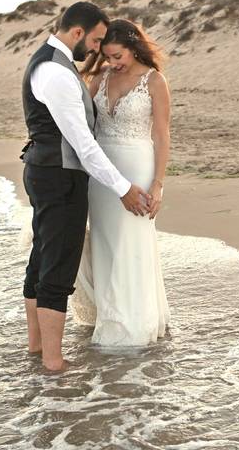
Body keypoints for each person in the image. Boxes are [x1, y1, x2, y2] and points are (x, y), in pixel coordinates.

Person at [20, 2, 150, 371]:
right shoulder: (57, 73)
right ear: (77, 32)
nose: (95, 49)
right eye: (94, 40)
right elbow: (82, 143)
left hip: (45, 170)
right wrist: (123, 187)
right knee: (58, 267)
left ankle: (36, 352)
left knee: (42, 258)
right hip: (59, 175)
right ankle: (53, 364)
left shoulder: (48, 62)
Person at [72, 18, 171, 346]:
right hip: (101, 177)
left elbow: (161, 134)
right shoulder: (98, 78)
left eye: (118, 56)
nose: (113, 63)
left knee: (131, 243)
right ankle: (109, 315)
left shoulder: (154, 81)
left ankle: (133, 326)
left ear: (134, 47)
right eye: (108, 57)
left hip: (137, 171)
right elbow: (83, 126)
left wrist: (158, 184)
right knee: (105, 243)